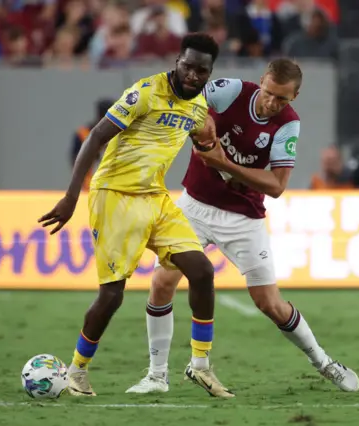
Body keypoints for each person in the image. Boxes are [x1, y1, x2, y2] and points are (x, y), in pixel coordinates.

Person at [126, 59, 359, 395]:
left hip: (243, 218)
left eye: (282, 99)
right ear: (262, 80)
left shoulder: (288, 126)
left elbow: (277, 186)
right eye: (268, 93)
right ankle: (157, 375)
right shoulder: (231, 91)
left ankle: (324, 362)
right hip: (195, 205)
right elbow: (193, 104)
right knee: (162, 282)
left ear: (295, 96)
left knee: (269, 303)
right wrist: (204, 129)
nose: (271, 103)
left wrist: (225, 164)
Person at [38, 33, 234, 398]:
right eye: (187, 66)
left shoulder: (198, 109)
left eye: (201, 70)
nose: (192, 75)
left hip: (155, 198)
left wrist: (221, 163)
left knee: (203, 271)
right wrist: (70, 198)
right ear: (177, 60)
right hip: (115, 196)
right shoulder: (145, 92)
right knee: (112, 296)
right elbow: (95, 137)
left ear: (209, 73)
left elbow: (204, 145)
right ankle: (78, 372)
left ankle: (202, 366)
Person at [70, 99, 114, 191]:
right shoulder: (83, 134)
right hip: (88, 185)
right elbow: (74, 159)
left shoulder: (117, 135)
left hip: (111, 186)